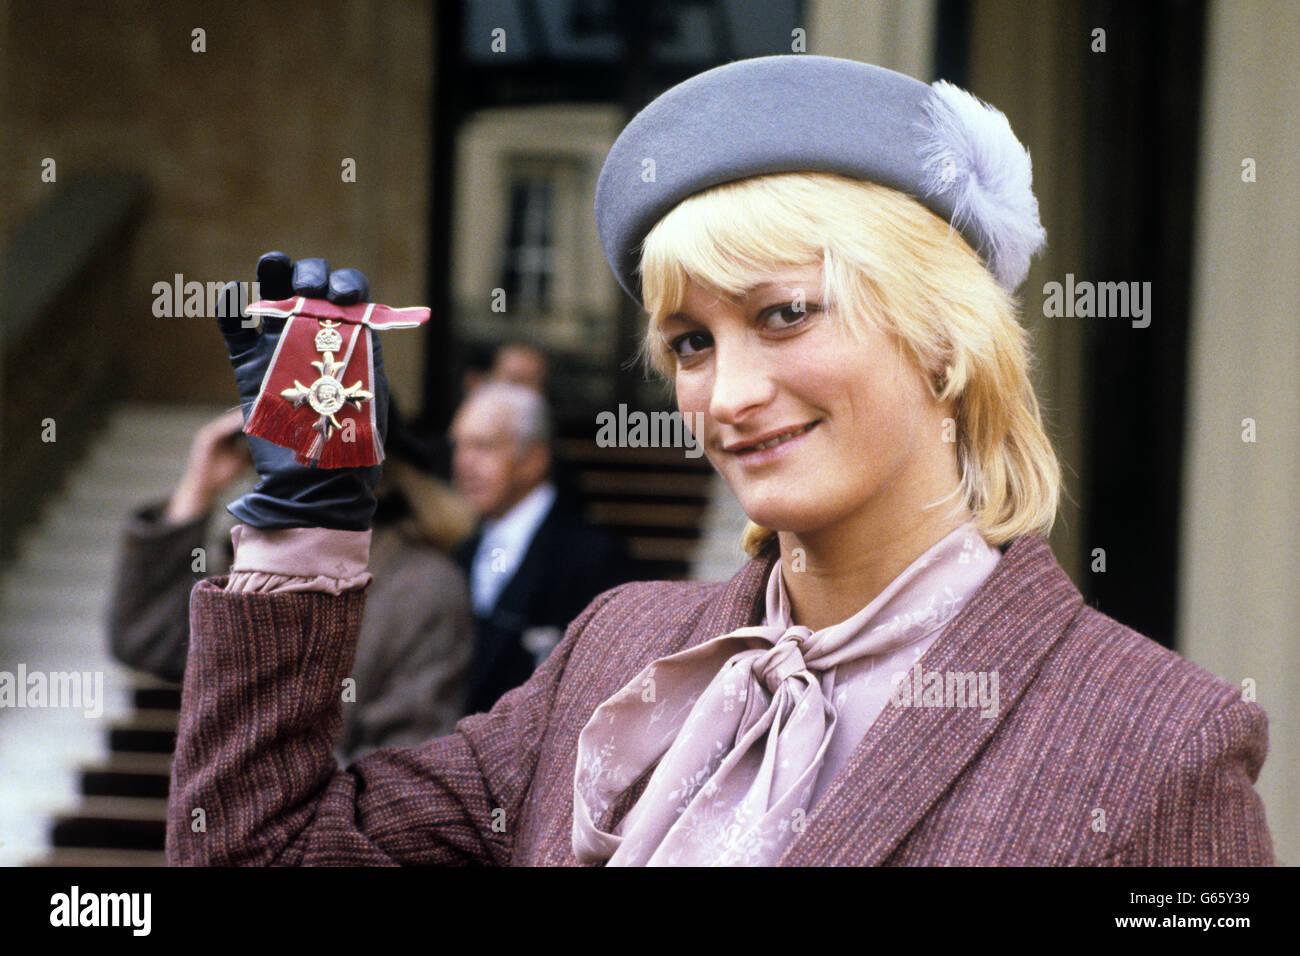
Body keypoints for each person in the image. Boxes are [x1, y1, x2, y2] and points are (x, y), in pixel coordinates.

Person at [166, 56, 1271, 866]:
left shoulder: (1159, 741)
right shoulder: (621, 652)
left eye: (784, 314)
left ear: (944, 343)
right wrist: (305, 521)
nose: (726, 395)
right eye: (691, 341)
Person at [109, 404, 476, 757]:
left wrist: (271, 783)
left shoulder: (423, 589)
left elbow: (408, 769)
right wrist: (197, 491)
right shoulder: (252, 561)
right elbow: (146, 640)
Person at [449, 382, 634, 714]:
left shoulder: (594, 557)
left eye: (484, 446)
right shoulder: (461, 550)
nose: (464, 463)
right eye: (460, 446)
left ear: (533, 459)